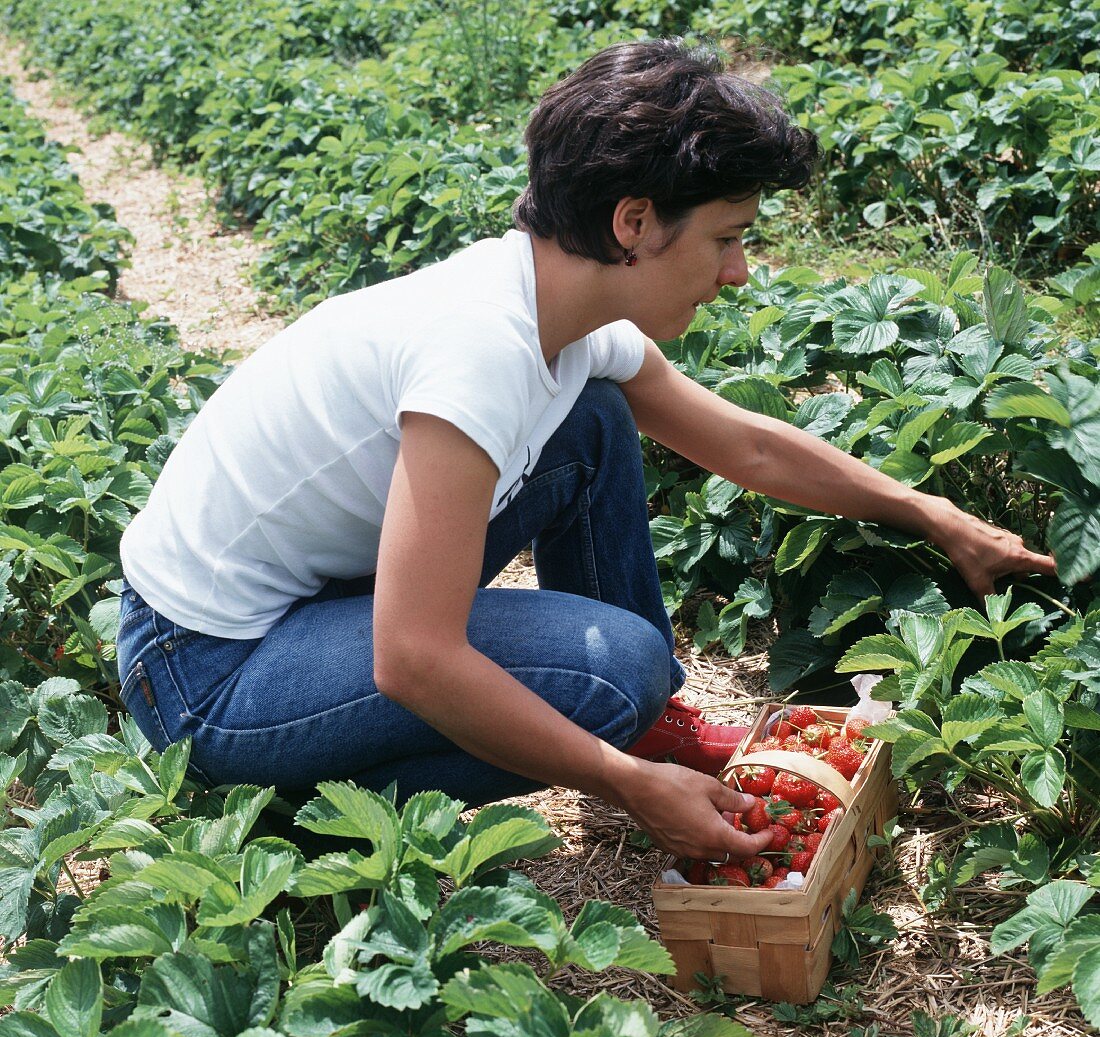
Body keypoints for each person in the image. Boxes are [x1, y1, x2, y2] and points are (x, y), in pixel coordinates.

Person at [114, 38, 1056, 864]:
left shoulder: (555, 307)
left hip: (312, 608)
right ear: (634, 223)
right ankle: (297, 827)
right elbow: (413, 657)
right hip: (204, 672)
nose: (739, 271)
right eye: (727, 239)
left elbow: (747, 446)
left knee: (595, 421)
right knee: (612, 673)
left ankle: (654, 732)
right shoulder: (476, 352)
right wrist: (619, 782)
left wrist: (928, 513)